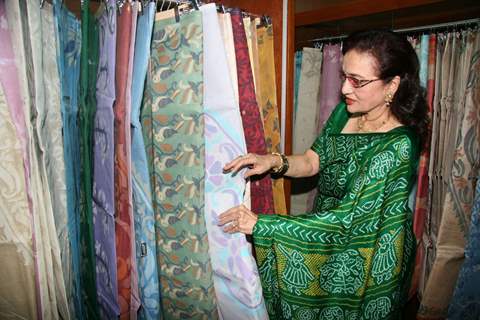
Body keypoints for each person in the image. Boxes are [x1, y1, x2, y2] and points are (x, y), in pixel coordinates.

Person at [218, 29, 429, 320]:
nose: (344, 89)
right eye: (344, 76)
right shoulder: (347, 112)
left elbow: (348, 220)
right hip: (323, 228)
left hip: (366, 251)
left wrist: (262, 225)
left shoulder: (399, 145)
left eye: (358, 81)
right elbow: (311, 160)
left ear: (392, 85)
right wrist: (272, 160)